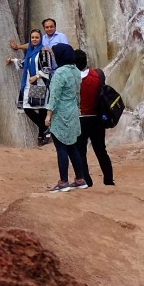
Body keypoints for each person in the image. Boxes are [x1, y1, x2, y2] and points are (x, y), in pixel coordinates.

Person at [44, 43, 91, 191]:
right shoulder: (76, 71)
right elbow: (77, 94)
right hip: (73, 113)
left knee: (61, 148)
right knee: (72, 147)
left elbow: (54, 96)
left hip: (61, 113)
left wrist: (48, 115)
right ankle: (80, 179)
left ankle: (63, 182)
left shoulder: (60, 73)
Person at [75, 48, 114, 186]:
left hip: (80, 119)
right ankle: (108, 180)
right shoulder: (98, 75)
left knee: (80, 152)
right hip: (97, 118)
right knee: (101, 150)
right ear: (86, 62)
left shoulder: (73, 80)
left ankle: (87, 180)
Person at [10, 27, 51, 145]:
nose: (34, 39)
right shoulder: (30, 52)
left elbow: (47, 69)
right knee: (27, 108)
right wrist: (12, 60)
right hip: (29, 84)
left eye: (37, 37)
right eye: (32, 37)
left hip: (41, 83)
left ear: (40, 39)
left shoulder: (43, 51)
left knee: (42, 109)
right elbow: (24, 63)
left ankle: (41, 135)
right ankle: (45, 129)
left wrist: (37, 77)